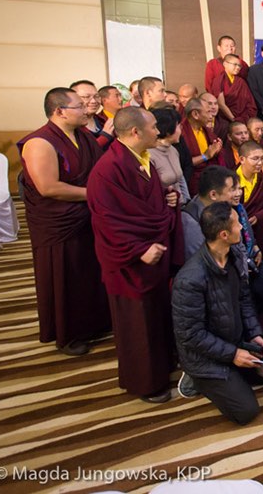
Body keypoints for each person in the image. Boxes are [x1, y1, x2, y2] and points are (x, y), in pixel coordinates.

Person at [87, 107, 183, 403]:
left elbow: (147, 202)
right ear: (135, 132)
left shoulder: (141, 158)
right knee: (137, 322)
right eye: (153, 127)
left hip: (152, 250)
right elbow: (108, 219)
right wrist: (138, 249)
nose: (159, 131)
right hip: (131, 260)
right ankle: (145, 382)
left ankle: (162, 366)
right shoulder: (108, 169)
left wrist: (170, 199)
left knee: (156, 315)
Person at [172, 202, 263, 424]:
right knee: (246, 411)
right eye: (237, 224)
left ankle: (234, 374)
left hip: (236, 340)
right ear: (224, 234)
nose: (243, 228)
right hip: (205, 356)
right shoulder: (190, 279)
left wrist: (255, 334)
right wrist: (233, 355)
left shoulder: (234, 254)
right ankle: (196, 379)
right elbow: (191, 335)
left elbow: (244, 299)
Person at [18, 87, 110, 356]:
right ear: (59, 111)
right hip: (58, 221)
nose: (86, 110)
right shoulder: (40, 142)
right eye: (79, 106)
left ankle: (95, 323)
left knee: (89, 271)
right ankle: (68, 334)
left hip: (87, 216)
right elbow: (48, 188)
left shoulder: (82, 135)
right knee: (65, 274)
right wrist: (95, 195)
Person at [150, 107, 191, 204]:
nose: (181, 129)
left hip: (180, 205)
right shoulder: (149, 155)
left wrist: (186, 200)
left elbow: (180, 179)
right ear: (168, 130)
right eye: (178, 126)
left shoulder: (173, 150)